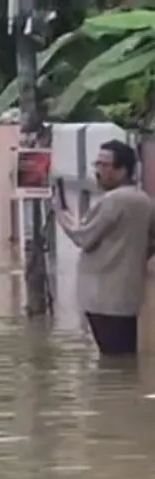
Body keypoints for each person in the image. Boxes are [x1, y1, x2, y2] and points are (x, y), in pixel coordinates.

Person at [56, 139, 155, 356]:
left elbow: (83, 237)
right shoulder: (144, 200)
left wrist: (62, 215)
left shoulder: (113, 200)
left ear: (122, 170)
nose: (98, 170)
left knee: (113, 358)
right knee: (123, 356)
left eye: (104, 165)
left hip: (103, 298)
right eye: (97, 164)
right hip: (128, 295)